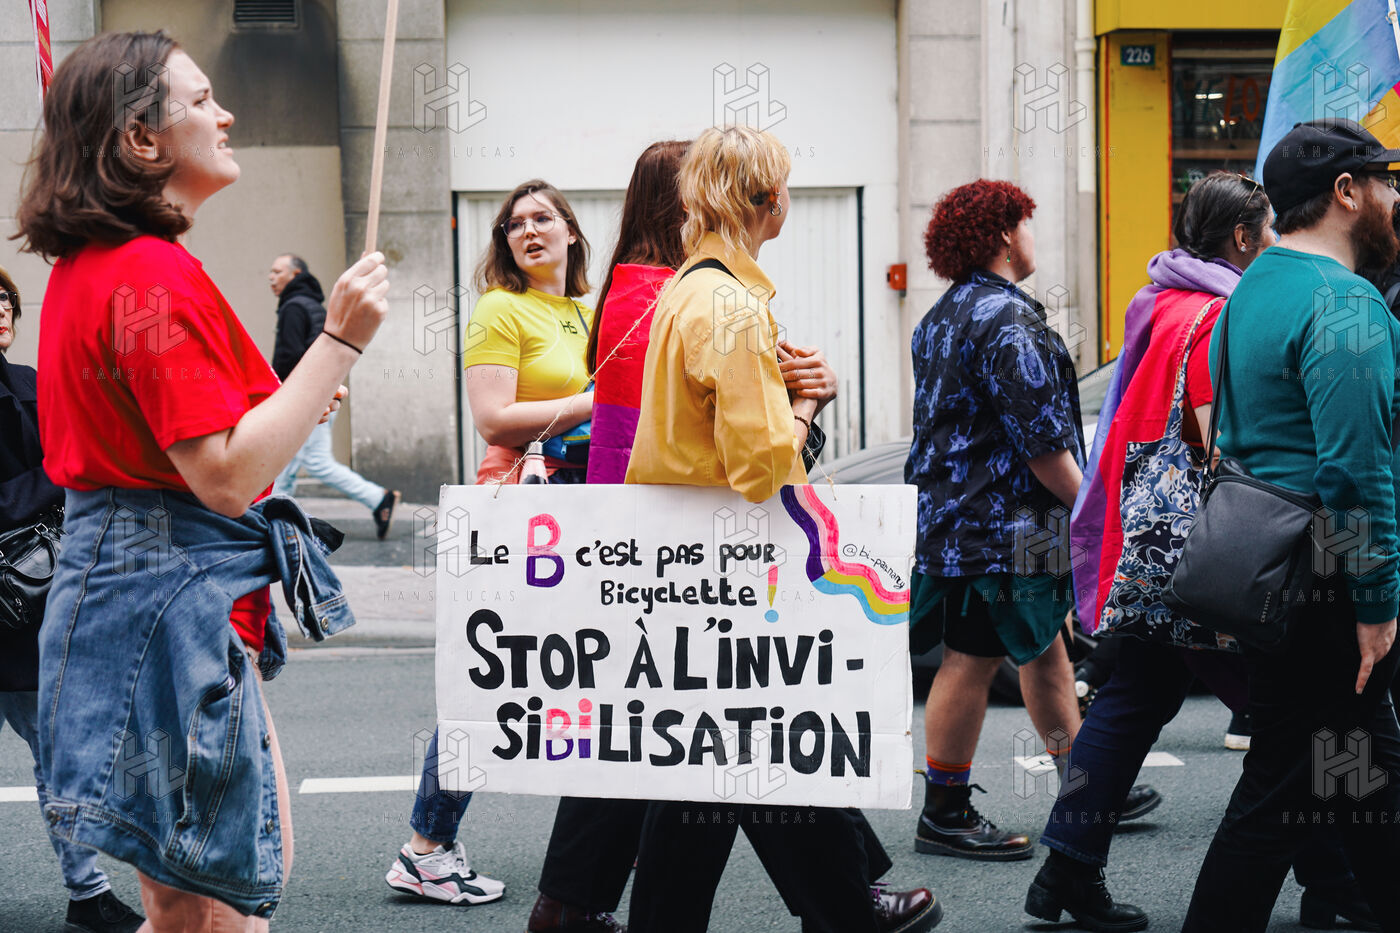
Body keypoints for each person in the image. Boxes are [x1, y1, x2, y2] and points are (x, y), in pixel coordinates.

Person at [16, 31, 387, 929]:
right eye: (202, 99)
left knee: (202, 896)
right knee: (215, 906)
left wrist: (299, 392)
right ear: (142, 139)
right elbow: (224, 475)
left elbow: (200, 444)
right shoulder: (145, 272)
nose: (225, 115)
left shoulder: (98, 265)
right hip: (162, 607)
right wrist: (339, 340)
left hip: (138, 600)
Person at [622, 124, 941, 933]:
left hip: (694, 569)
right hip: (743, 572)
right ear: (769, 200)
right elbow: (761, 468)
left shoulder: (686, 290)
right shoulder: (731, 305)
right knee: (761, 753)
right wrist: (805, 402)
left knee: (718, 768)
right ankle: (845, 912)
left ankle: (839, 909)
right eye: (785, 185)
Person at [1025, 171, 1271, 931]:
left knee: (1132, 699)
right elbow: (1208, 433)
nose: (1272, 243)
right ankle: (1341, 881)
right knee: (1291, 711)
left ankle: (1065, 870)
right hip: (1205, 550)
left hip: (1149, 542)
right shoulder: (1216, 312)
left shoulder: (1157, 301)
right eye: (1266, 231)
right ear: (1241, 237)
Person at [1179, 119, 1400, 931]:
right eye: (1384, 181)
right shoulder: (1346, 302)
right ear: (1346, 192)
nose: (1394, 197)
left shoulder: (1254, 287)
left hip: (1264, 566)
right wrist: (1376, 601)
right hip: (1326, 581)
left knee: (1362, 771)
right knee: (1277, 791)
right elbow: (1353, 473)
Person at [905, 179, 1159, 864]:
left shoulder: (942, 316)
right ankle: (945, 812)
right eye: (1025, 222)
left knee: (1045, 648)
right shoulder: (1010, 322)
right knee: (972, 656)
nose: (1032, 235)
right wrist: (1095, 514)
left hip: (965, 520)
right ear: (1003, 235)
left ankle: (1085, 788)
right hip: (1005, 528)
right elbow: (1044, 445)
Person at [384, 177, 595, 907]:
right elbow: (494, 419)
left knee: (591, 672)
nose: (528, 230)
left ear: (572, 231)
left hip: (585, 508)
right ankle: (426, 848)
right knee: (494, 676)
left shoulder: (588, 310)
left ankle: (602, 848)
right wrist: (599, 400)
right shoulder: (501, 308)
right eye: (514, 223)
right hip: (520, 508)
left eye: (543, 218)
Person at [0, 267, 143, 933]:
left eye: (6, 300)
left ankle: (87, 892)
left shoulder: (32, 383)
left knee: (57, 754)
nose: (1, 310)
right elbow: (64, 467)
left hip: (29, 605)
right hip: (27, 597)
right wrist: (55, 473)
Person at [268, 253, 400, 539]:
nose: (271, 277)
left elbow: (289, 356)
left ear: (295, 274)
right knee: (287, 463)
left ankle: (379, 498)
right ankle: (273, 516)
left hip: (308, 397)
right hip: (321, 392)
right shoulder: (313, 305)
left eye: (277, 272)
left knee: (313, 461)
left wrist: (277, 392)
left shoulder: (294, 306)